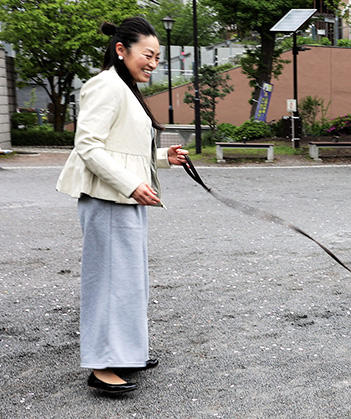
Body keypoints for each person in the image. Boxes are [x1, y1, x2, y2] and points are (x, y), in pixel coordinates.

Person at [56, 17, 188, 394]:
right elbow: (89, 146)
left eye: (158, 57)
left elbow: (124, 149)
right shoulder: (105, 86)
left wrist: (163, 158)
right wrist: (132, 185)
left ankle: (127, 352)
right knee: (109, 283)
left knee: (129, 282)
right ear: (121, 50)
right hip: (108, 198)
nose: (153, 62)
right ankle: (101, 365)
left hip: (124, 197)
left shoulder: (124, 88)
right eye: (148, 54)